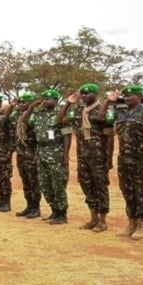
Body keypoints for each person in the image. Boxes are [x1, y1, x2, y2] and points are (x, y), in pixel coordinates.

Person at [57, 83, 114, 232]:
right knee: (87, 186)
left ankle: (102, 221)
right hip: (83, 156)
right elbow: (60, 120)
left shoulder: (104, 110)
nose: (84, 96)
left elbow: (109, 137)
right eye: (82, 94)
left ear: (96, 95)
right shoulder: (78, 110)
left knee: (100, 187)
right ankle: (93, 218)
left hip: (98, 156)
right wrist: (68, 103)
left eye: (88, 94)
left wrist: (108, 159)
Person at [101, 85, 143, 240]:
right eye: (124, 96)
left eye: (130, 95)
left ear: (140, 97)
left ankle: (141, 224)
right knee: (127, 192)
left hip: (141, 160)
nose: (126, 98)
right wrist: (109, 101)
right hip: (124, 160)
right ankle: (131, 223)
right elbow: (100, 117)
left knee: (142, 193)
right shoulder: (121, 113)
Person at [23, 89, 71, 225]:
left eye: (48, 99)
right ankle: (54, 211)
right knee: (45, 184)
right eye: (44, 99)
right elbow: (25, 121)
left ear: (56, 101)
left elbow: (67, 135)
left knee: (58, 184)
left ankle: (62, 214)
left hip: (56, 152)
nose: (45, 101)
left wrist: (66, 155)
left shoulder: (61, 114)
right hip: (41, 152)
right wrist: (31, 107)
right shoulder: (39, 114)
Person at [12, 93, 41, 219]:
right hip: (21, 154)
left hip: (31, 154)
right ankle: (29, 206)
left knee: (34, 182)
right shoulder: (18, 115)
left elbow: (27, 122)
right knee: (26, 182)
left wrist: (31, 109)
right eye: (20, 103)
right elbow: (9, 118)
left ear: (30, 104)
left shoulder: (34, 116)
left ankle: (36, 208)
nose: (21, 105)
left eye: (24, 103)